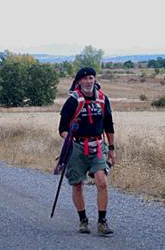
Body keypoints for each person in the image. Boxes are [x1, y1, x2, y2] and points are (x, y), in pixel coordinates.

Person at [58, 67, 116, 235]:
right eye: (85, 79)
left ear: (94, 80)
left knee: (102, 183)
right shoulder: (73, 101)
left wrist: (111, 148)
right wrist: (68, 137)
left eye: (91, 78)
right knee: (77, 184)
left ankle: (102, 222)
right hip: (77, 147)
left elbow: (109, 125)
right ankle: (83, 220)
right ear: (79, 82)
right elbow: (62, 128)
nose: (88, 81)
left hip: (98, 146)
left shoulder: (103, 99)